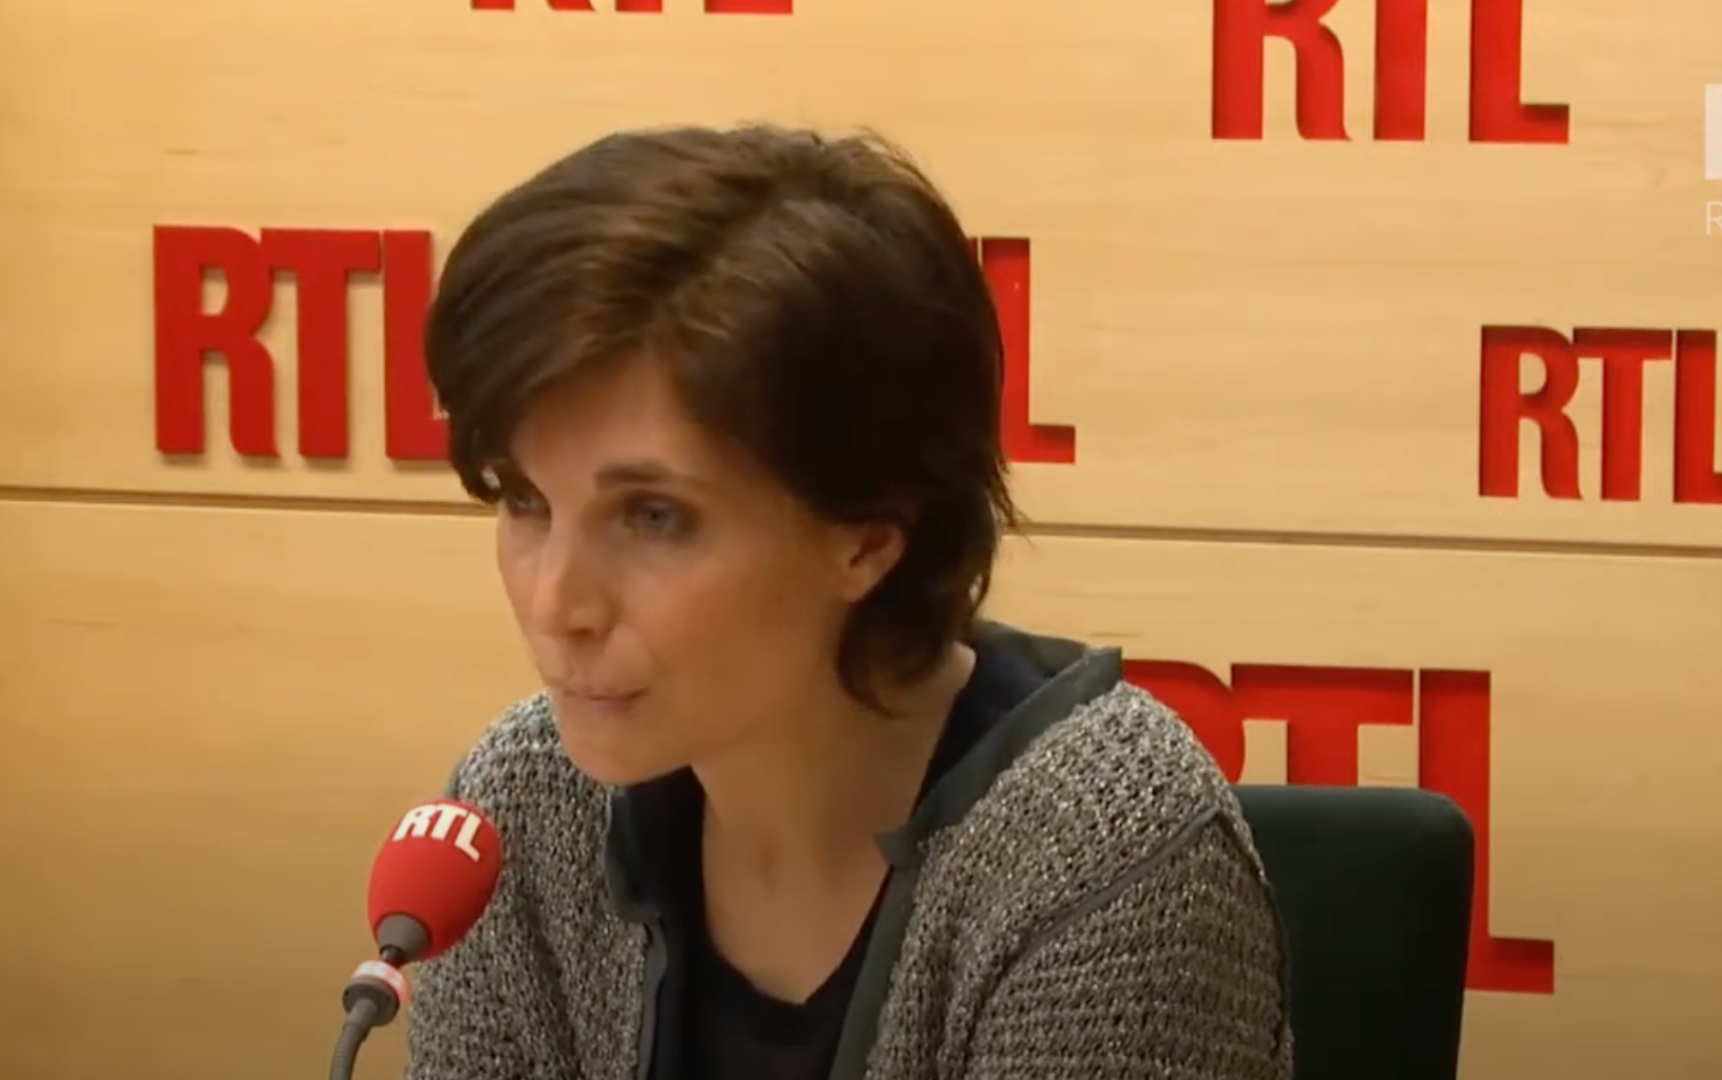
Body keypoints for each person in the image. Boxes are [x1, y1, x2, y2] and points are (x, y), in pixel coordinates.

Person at [405, 122, 1294, 1080]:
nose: (556, 603)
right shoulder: (523, 806)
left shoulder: (1101, 853)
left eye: (655, 517)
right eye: (525, 501)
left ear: (868, 535)